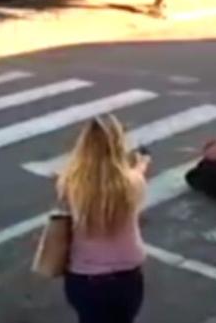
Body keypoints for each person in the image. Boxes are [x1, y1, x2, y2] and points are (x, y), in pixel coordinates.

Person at [57, 115, 150, 323]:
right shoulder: (132, 184)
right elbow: (133, 184)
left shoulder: (71, 182)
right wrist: (141, 164)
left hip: (84, 278)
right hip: (126, 278)